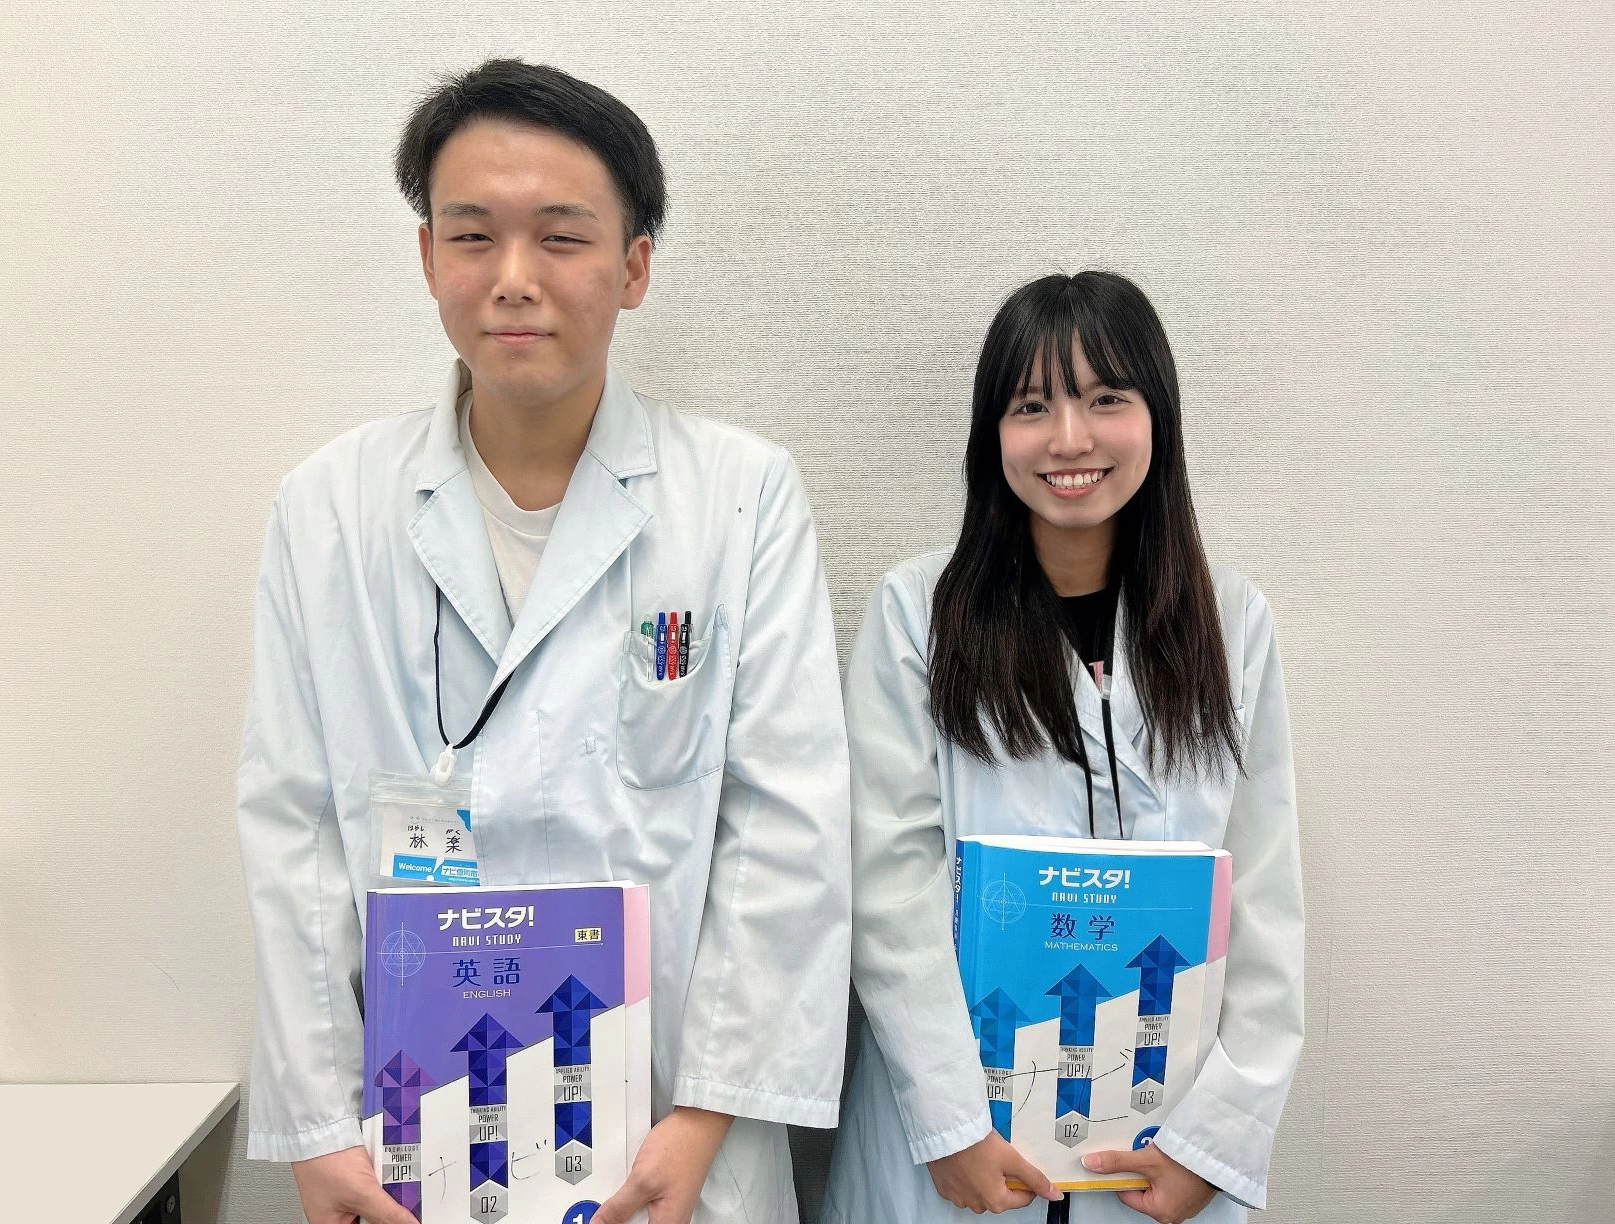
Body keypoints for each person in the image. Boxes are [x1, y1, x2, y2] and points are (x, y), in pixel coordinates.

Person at [236, 58, 850, 1224]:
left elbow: (785, 824)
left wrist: (707, 1116)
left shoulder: (738, 496)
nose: (514, 278)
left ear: (633, 268)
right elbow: (293, 828)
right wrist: (318, 1132)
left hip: (669, 1143)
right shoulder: (329, 507)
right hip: (412, 1139)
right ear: (429, 258)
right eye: (474, 236)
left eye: (561, 238)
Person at [822, 270, 1303, 1224]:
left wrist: (1214, 1143)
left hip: (1162, 1138)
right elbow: (888, 886)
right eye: (1032, 405)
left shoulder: (1231, 623)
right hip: (961, 1138)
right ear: (991, 433)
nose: (1070, 439)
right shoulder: (918, 614)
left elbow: (1265, 897)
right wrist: (950, 1123)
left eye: (1106, 398)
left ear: (1158, 417)